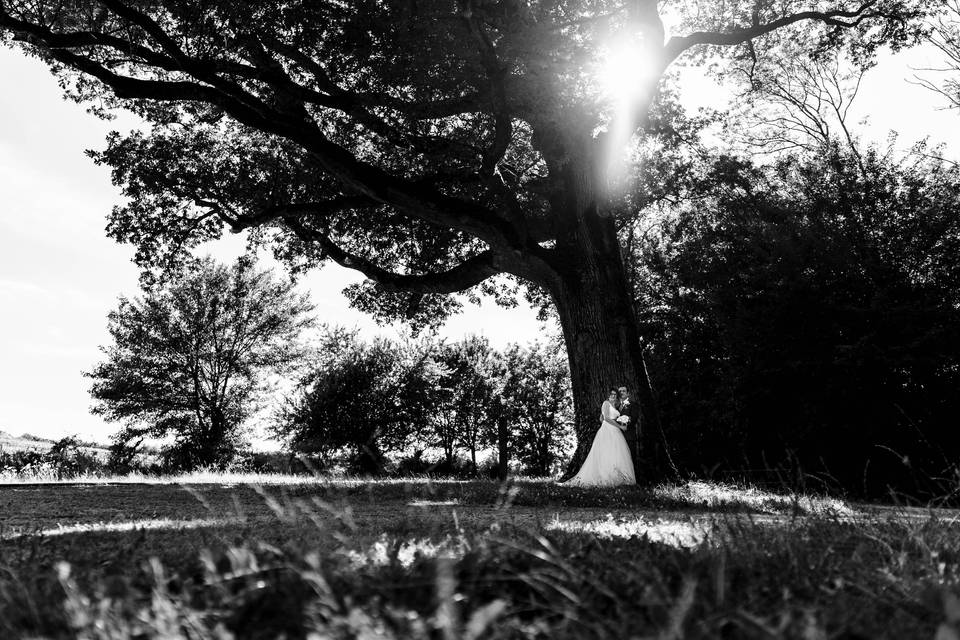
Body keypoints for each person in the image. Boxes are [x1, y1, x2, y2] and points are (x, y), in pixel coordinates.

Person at [565, 387, 636, 486]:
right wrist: (619, 425)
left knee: (615, 453)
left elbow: (601, 418)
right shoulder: (606, 403)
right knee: (605, 452)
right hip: (607, 430)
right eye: (612, 394)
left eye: (615, 394)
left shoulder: (616, 406)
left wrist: (622, 421)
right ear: (609, 395)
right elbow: (606, 418)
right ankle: (604, 477)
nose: (613, 396)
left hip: (615, 431)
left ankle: (618, 477)